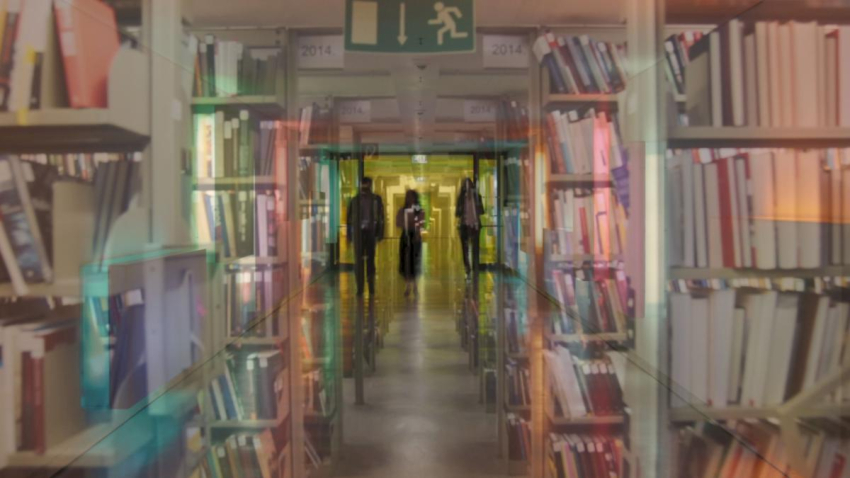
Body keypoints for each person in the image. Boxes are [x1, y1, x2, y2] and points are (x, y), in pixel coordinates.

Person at [347, 177, 385, 297]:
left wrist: (380, 232)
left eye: (367, 185)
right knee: (358, 260)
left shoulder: (376, 199)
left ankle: (371, 286)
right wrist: (350, 234)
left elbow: (381, 217)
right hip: (359, 233)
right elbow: (349, 219)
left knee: (370, 259)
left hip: (370, 232)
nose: (365, 188)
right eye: (363, 185)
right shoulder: (355, 200)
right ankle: (360, 287)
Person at [396, 190, 425, 298]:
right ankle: (407, 285)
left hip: (415, 235)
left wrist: (415, 226)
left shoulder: (417, 209)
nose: (409, 199)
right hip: (405, 235)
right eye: (407, 196)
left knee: (415, 260)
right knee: (405, 260)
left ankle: (415, 286)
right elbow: (398, 222)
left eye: (411, 196)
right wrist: (407, 223)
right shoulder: (403, 210)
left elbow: (421, 220)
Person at [456, 177, 484, 280]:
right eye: (465, 185)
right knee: (465, 249)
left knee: (475, 247)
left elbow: (481, 210)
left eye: (469, 185)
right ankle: (467, 267)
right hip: (464, 225)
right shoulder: (461, 198)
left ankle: (475, 266)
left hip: (475, 225)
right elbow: (457, 213)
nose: (467, 187)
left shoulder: (477, 197)